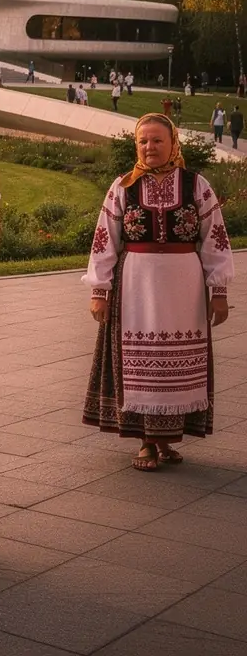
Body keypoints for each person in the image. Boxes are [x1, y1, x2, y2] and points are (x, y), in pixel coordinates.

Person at [83, 114, 233, 470]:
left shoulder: (196, 185)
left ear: (172, 143)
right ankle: (146, 443)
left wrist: (219, 290)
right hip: (136, 286)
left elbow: (215, 238)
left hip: (184, 288)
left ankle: (165, 440)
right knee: (140, 361)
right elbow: (105, 239)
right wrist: (99, 290)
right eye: (143, 141)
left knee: (179, 363)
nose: (149, 147)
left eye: (157, 140)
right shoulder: (124, 186)